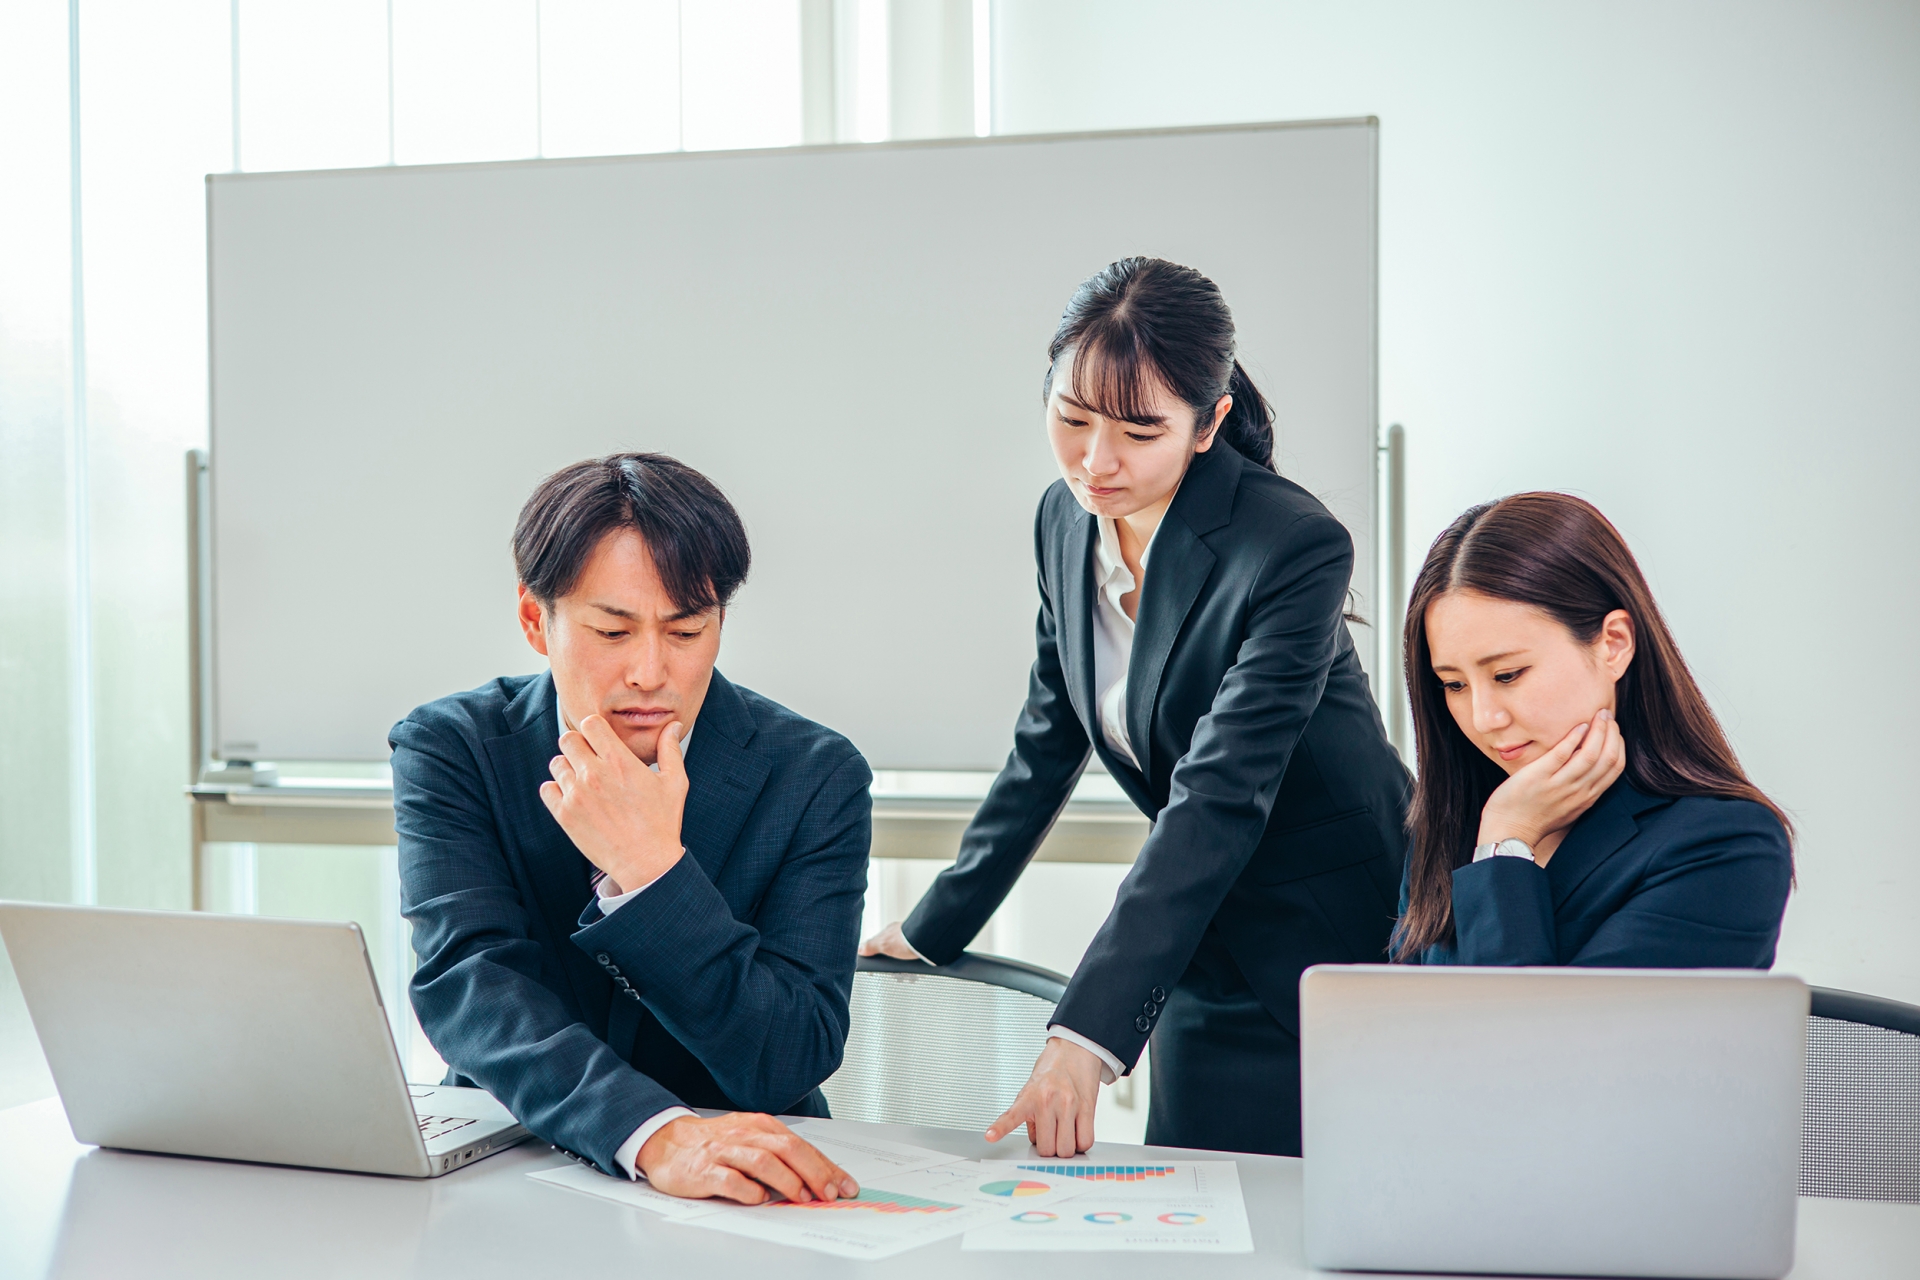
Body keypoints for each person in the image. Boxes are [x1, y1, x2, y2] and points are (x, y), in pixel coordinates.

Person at [863, 257, 1411, 1159]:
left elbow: (1220, 792)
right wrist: (937, 923)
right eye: (1071, 419)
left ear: (1210, 426)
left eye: (1137, 431)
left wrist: (1082, 1037)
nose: (1095, 460)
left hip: (1339, 941)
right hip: (1194, 934)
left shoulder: (1294, 546)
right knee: (1199, 1216)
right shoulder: (1064, 518)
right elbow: (1048, 738)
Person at [392, 453, 871, 1204]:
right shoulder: (452, 748)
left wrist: (653, 874)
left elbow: (789, 1053)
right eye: (613, 632)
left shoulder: (815, 775)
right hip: (512, 1164)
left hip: (743, 1192)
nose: (651, 672)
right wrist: (654, 1133)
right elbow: (471, 987)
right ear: (533, 620)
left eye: (686, 631)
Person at [1392, 492, 1793, 966]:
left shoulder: (1725, 844)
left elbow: (1523, 1036)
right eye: (1454, 684)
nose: (1484, 719)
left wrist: (1506, 843)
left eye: (1507, 675)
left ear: (1614, 644)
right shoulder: (1453, 821)